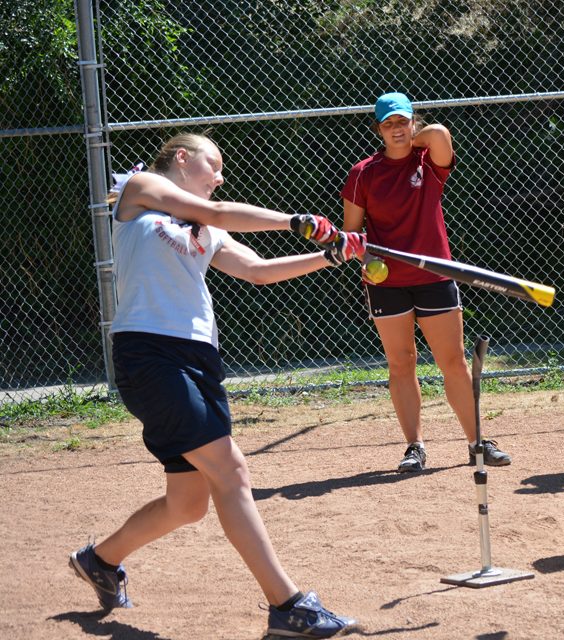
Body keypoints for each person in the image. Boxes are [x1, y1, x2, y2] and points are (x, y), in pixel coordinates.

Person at [68, 133, 365, 638]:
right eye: (215, 164)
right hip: (150, 354)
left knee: (188, 503)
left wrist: (330, 257)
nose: (220, 175)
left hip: (198, 358)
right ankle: (288, 606)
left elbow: (257, 271)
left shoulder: (207, 226)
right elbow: (225, 210)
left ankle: (99, 560)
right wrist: (295, 221)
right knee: (231, 471)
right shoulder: (142, 189)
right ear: (181, 158)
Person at [340, 92, 511, 472]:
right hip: (387, 282)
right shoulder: (363, 173)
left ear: (414, 121)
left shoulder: (428, 162)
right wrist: (366, 259)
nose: (397, 129)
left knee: (452, 360)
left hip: (436, 274)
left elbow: (441, 135)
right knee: (402, 363)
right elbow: (352, 234)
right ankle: (414, 447)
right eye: (388, 124)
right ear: (377, 130)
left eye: (402, 121)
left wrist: (407, 139)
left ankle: (476, 442)